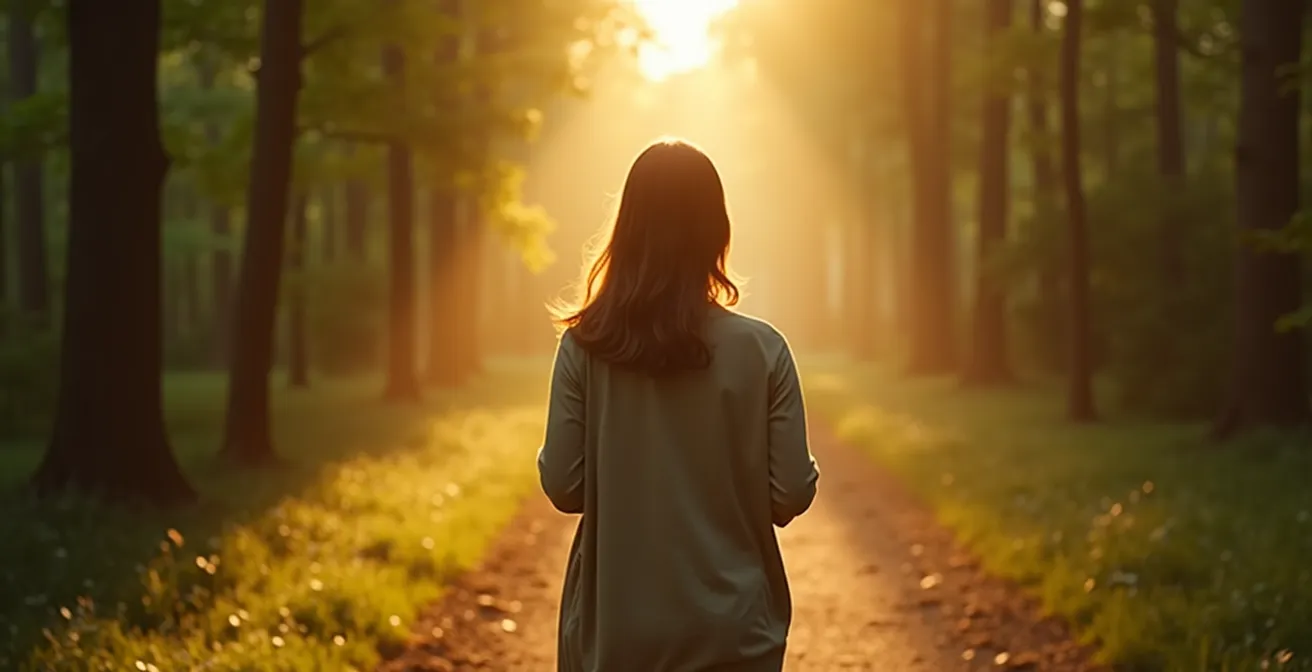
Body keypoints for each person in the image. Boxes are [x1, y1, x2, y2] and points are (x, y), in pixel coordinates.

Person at [538, 137, 820, 672]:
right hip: (733, 634)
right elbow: (790, 494)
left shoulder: (584, 347)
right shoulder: (764, 350)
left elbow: (563, 486)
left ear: (627, 231)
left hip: (614, 635)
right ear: (716, 231)